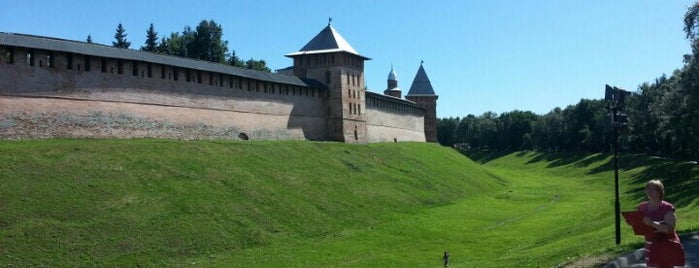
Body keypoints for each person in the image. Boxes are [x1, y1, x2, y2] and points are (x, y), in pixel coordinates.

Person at [638, 180, 685, 268]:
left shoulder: (667, 207)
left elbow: (669, 229)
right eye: (648, 189)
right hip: (650, 245)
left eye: (653, 189)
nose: (649, 191)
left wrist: (652, 223)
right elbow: (640, 225)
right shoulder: (642, 207)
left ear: (660, 192)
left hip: (666, 245)